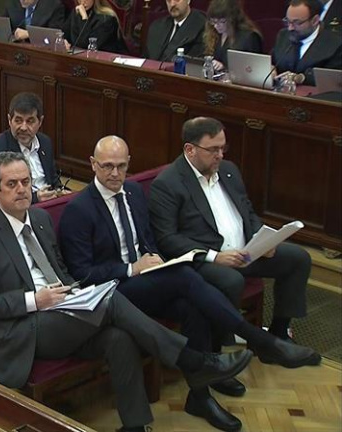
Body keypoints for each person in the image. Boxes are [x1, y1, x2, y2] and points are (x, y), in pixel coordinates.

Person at [0, 151, 253, 432]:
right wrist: (35, 300)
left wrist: (75, 294)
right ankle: (195, 361)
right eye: (12, 184)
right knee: (112, 299)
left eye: (26, 181)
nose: (22, 189)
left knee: (118, 338)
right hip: (21, 329)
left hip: (62, 311)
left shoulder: (40, 219)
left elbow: (62, 271)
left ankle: (134, 425)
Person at [60, 136, 321, 432]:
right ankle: (260, 341)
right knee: (186, 277)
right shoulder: (79, 209)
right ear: (93, 164)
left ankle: (200, 397)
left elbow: (148, 239)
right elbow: (82, 274)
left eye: (121, 166)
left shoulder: (132, 192)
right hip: (114, 292)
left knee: (192, 306)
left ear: (129, 163)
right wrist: (132, 268)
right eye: (107, 166)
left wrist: (155, 258)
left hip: (147, 280)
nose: (115, 173)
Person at [149, 117, 315, 350]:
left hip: (245, 253)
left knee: (298, 258)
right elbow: (167, 239)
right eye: (213, 149)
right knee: (231, 280)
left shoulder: (228, 170)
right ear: (190, 149)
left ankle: (278, 333)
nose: (220, 155)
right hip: (204, 261)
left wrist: (262, 239)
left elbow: (247, 212)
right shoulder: (168, 184)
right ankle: (219, 349)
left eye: (223, 148)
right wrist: (215, 257)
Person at [0, 92, 66, 203]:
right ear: (9, 120)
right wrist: (35, 198)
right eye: (18, 121)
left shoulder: (45, 142)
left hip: (51, 200)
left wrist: (60, 191)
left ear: (40, 121)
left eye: (30, 121)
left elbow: (53, 178)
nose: (23, 127)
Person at [272, 0, 342, 86]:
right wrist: (270, 69)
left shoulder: (335, 44)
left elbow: (333, 79)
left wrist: (300, 78)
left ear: (315, 21)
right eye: (287, 21)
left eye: (297, 23)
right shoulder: (283, 35)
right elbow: (273, 61)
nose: (290, 28)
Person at [203, 0, 263, 71]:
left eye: (222, 21)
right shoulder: (215, 33)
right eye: (213, 21)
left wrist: (225, 67)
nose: (216, 26)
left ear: (232, 19)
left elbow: (254, 70)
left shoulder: (249, 37)